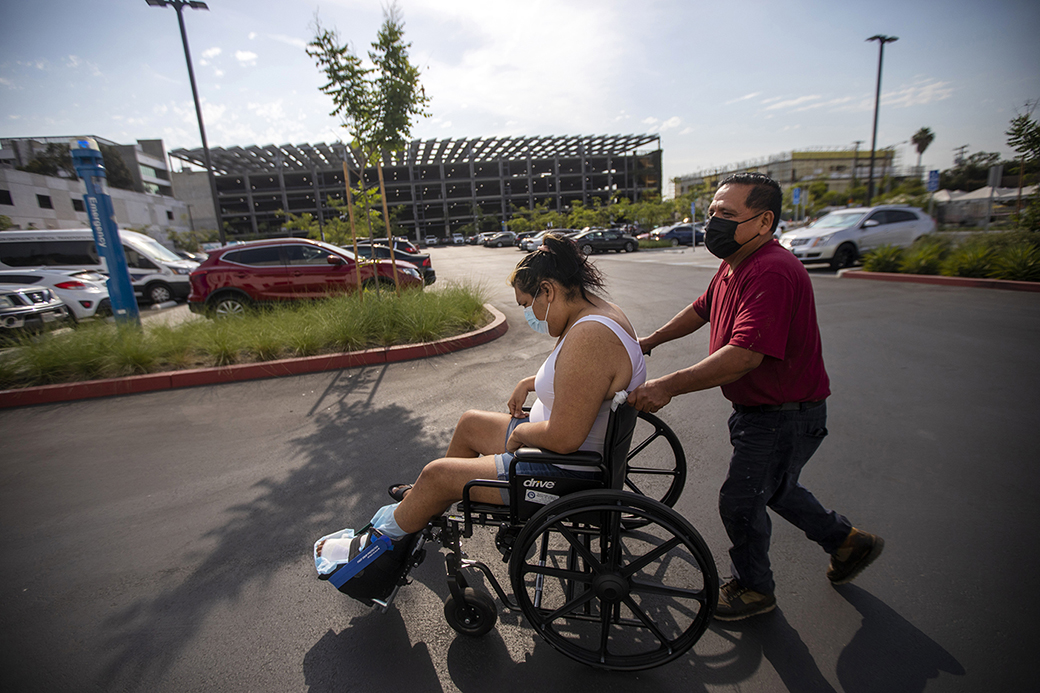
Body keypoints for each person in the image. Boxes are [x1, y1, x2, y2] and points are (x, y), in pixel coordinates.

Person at [316, 233, 647, 587]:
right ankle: (420, 509)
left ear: (548, 291)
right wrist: (530, 381)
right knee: (470, 423)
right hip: (564, 453)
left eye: (526, 304)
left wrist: (520, 433)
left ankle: (382, 548)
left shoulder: (589, 338)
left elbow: (565, 437)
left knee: (435, 474)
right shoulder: (599, 314)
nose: (529, 316)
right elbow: (584, 380)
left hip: (561, 469)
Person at [627, 172, 883, 621]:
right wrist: (649, 341)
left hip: (782, 415)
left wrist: (665, 386)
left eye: (727, 215)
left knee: (741, 501)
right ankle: (847, 542)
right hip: (766, 411)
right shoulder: (736, 262)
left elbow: (744, 356)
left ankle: (753, 589)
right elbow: (701, 309)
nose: (714, 224)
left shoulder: (772, 270)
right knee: (779, 489)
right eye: (712, 214)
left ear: (763, 221)